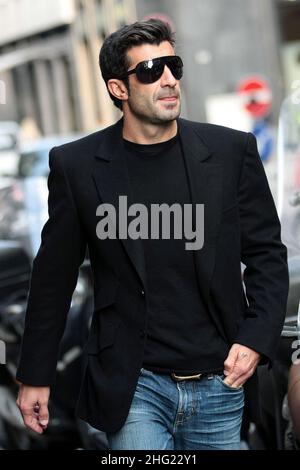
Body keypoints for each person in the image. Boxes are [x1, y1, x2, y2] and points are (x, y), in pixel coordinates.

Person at [16, 18, 289, 450]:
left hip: (220, 382)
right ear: (118, 88)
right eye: (149, 71)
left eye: (173, 67)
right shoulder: (78, 166)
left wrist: (255, 339)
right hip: (135, 385)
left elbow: (267, 257)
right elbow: (53, 279)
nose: (168, 81)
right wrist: (35, 375)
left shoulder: (230, 152)